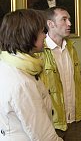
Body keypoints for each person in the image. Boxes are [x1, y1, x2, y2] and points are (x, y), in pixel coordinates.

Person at [0, 9, 63, 141]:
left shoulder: (8, 65)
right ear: (27, 35)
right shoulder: (22, 82)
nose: (45, 36)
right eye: (42, 31)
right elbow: (44, 136)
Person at [39, 6, 81, 141]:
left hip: (75, 121)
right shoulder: (39, 51)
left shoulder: (71, 49)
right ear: (50, 24)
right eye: (64, 19)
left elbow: (79, 85)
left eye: (69, 19)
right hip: (52, 124)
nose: (70, 24)